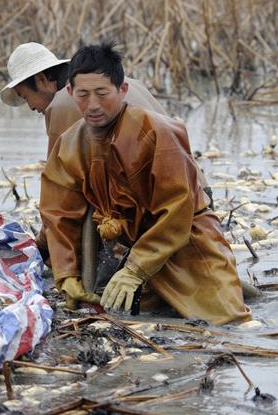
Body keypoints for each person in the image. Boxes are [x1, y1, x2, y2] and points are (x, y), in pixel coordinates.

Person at [39, 42, 251, 325]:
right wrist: (66, 274)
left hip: (184, 242)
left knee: (228, 323)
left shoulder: (155, 132)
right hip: (130, 244)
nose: (92, 105)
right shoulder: (70, 142)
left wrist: (135, 270)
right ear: (69, 93)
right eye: (83, 95)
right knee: (132, 318)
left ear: (122, 90)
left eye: (102, 94)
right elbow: (58, 212)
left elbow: (178, 208)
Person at [0, 42, 167, 157]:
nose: (30, 107)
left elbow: (57, 185)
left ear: (42, 79)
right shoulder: (131, 84)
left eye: (26, 97)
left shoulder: (62, 104)